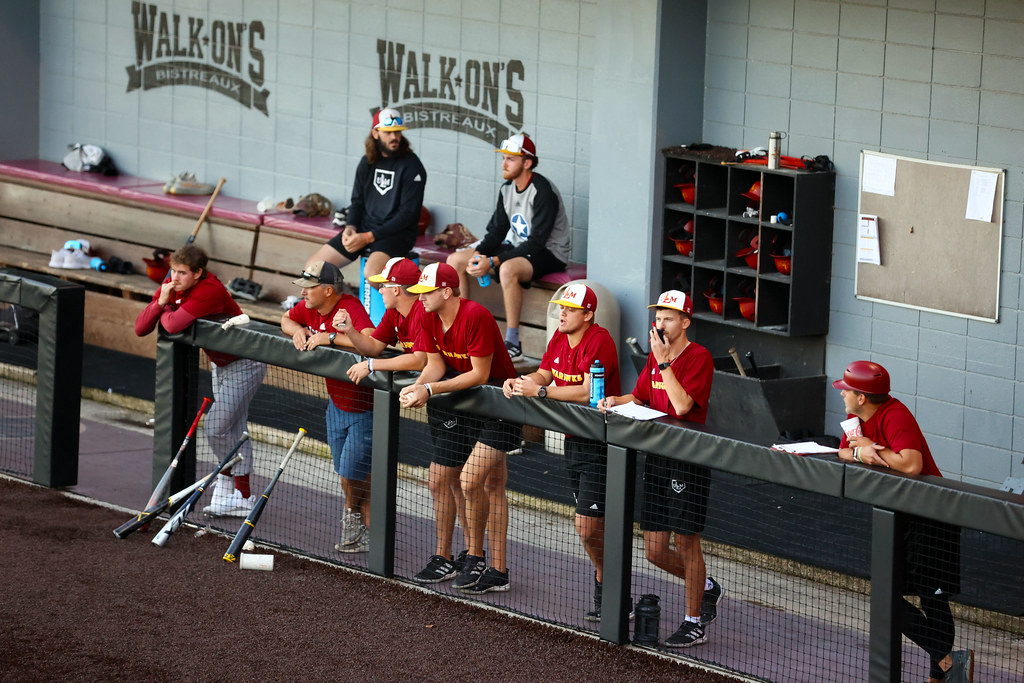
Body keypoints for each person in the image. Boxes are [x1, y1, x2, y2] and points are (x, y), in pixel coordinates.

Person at [597, 290, 723, 648]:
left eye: (668, 317)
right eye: (658, 317)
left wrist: (665, 361)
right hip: (656, 457)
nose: (660, 323)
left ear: (685, 322)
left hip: (687, 460)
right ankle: (706, 587)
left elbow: (682, 407)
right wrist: (613, 401)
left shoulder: (698, 357)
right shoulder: (656, 357)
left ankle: (693, 620)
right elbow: (639, 397)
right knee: (653, 549)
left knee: (686, 542)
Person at [834, 361, 970, 683]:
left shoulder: (896, 415)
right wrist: (859, 454)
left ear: (863, 397)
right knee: (888, 597)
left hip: (932, 517)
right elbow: (842, 452)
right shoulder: (856, 420)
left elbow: (912, 465)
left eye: (846, 390)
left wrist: (870, 450)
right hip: (899, 519)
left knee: (932, 599)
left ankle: (941, 674)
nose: (842, 395)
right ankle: (950, 663)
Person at [501, 283, 621, 620]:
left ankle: (610, 586)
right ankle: (608, 582)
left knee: (588, 526)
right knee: (591, 527)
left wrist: (540, 392)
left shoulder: (600, 340)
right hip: (573, 441)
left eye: (569, 309)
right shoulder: (558, 337)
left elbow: (587, 392)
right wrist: (521, 381)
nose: (562, 313)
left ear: (588, 314)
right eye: (560, 307)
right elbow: (545, 372)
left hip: (602, 441)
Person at [401, 262, 520, 594]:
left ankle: (486, 561)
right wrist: (418, 386)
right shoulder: (427, 315)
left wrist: (430, 390)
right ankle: (456, 557)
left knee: (483, 483)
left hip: (498, 404)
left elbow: (481, 375)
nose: (420, 298)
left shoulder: (476, 315)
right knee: (444, 479)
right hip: (461, 403)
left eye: (426, 292)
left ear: (446, 291)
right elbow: (436, 363)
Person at [134, 245, 267, 517]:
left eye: (183, 273)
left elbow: (170, 326)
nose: (175, 277)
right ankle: (243, 496)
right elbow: (140, 328)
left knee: (216, 428)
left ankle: (226, 479)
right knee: (234, 427)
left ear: (198, 273)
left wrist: (166, 307)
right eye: (173, 270)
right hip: (220, 363)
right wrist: (162, 301)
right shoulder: (172, 286)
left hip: (245, 362)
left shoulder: (210, 290)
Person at [446, 133, 571, 360]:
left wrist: (493, 261)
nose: (504, 163)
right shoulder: (506, 189)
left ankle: (513, 343)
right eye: (503, 158)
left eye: (510, 159)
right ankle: (462, 332)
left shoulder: (543, 191)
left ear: (527, 162)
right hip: (518, 248)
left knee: (506, 269)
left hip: (549, 253)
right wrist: (479, 255)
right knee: (456, 260)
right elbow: (496, 232)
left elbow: (537, 242)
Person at [280, 261, 376, 553]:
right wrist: (296, 330)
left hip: (365, 406)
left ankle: (353, 517)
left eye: (309, 288)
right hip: (336, 403)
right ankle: (366, 527)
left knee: (352, 470)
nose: (303, 293)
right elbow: (285, 318)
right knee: (348, 470)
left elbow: (370, 339)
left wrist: (331, 337)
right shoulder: (310, 307)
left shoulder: (349, 306)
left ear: (328, 290)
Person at [308, 107, 427, 280]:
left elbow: (408, 216)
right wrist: (350, 227)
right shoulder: (368, 161)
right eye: (388, 132)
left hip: (396, 235)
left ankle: (400, 307)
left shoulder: (412, 166)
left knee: (372, 273)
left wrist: (368, 237)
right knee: (313, 269)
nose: (394, 137)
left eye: (397, 132)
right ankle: (346, 306)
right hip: (365, 228)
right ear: (375, 133)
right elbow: (357, 201)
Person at [333, 256, 428, 383]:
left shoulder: (424, 311)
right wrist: (350, 330)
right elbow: (373, 347)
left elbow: (420, 361)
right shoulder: (393, 311)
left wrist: (371, 365)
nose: (380, 291)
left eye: (383, 285)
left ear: (396, 290)